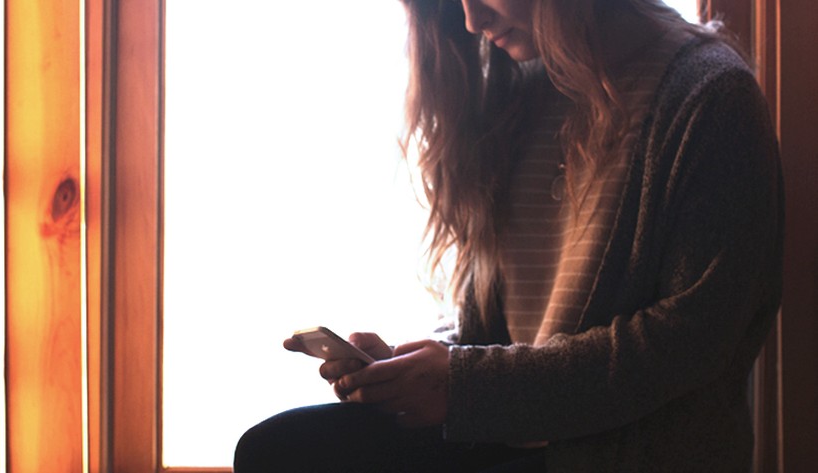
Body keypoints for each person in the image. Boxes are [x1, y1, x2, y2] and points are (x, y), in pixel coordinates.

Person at [234, 0, 783, 471]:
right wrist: (412, 369)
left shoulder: (709, 94)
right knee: (278, 451)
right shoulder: (525, 89)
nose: (471, 20)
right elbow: (496, 328)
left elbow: (684, 344)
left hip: (622, 453)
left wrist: (465, 385)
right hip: (510, 435)